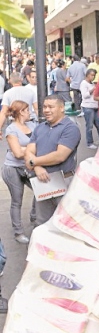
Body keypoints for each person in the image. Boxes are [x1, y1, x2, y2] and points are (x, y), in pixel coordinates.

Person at [24, 95, 81, 225]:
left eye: (51, 107)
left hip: (63, 181)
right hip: (42, 182)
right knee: (42, 222)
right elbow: (29, 151)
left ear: (62, 108)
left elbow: (60, 156)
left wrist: (33, 163)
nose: (46, 110)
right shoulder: (40, 127)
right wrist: (37, 168)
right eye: (44, 107)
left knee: (65, 222)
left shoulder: (70, 128)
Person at [2, 101, 37, 244]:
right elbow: (17, 153)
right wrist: (32, 149)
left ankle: (35, 217)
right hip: (13, 168)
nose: (30, 112)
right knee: (17, 201)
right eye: (28, 110)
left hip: (28, 166)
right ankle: (18, 232)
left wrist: (25, 149)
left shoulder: (33, 126)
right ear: (21, 112)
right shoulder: (11, 129)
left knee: (40, 192)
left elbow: (42, 144)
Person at [80, 68, 99, 149]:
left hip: (95, 106)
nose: (93, 77)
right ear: (87, 75)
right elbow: (85, 95)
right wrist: (93, 89)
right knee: (89, 126)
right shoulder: (84, 83)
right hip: (88, 107)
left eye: (94, 75)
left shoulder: (92, 83)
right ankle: (89, 142)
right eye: (92, 75)